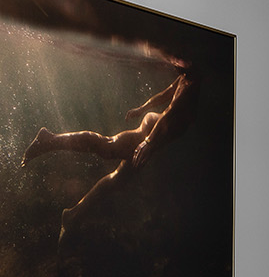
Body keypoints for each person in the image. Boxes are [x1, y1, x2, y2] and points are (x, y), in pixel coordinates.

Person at [21, 69, 193, 236]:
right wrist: (148, 141)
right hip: (152, 132)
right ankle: (49, 139)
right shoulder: (190, 79)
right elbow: (169, 113)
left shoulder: (188, 76)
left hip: (155, 135)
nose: (175, 65)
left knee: (119, 179)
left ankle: (73, 215)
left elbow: (167, 94)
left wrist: (143, 109)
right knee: (107, 147)